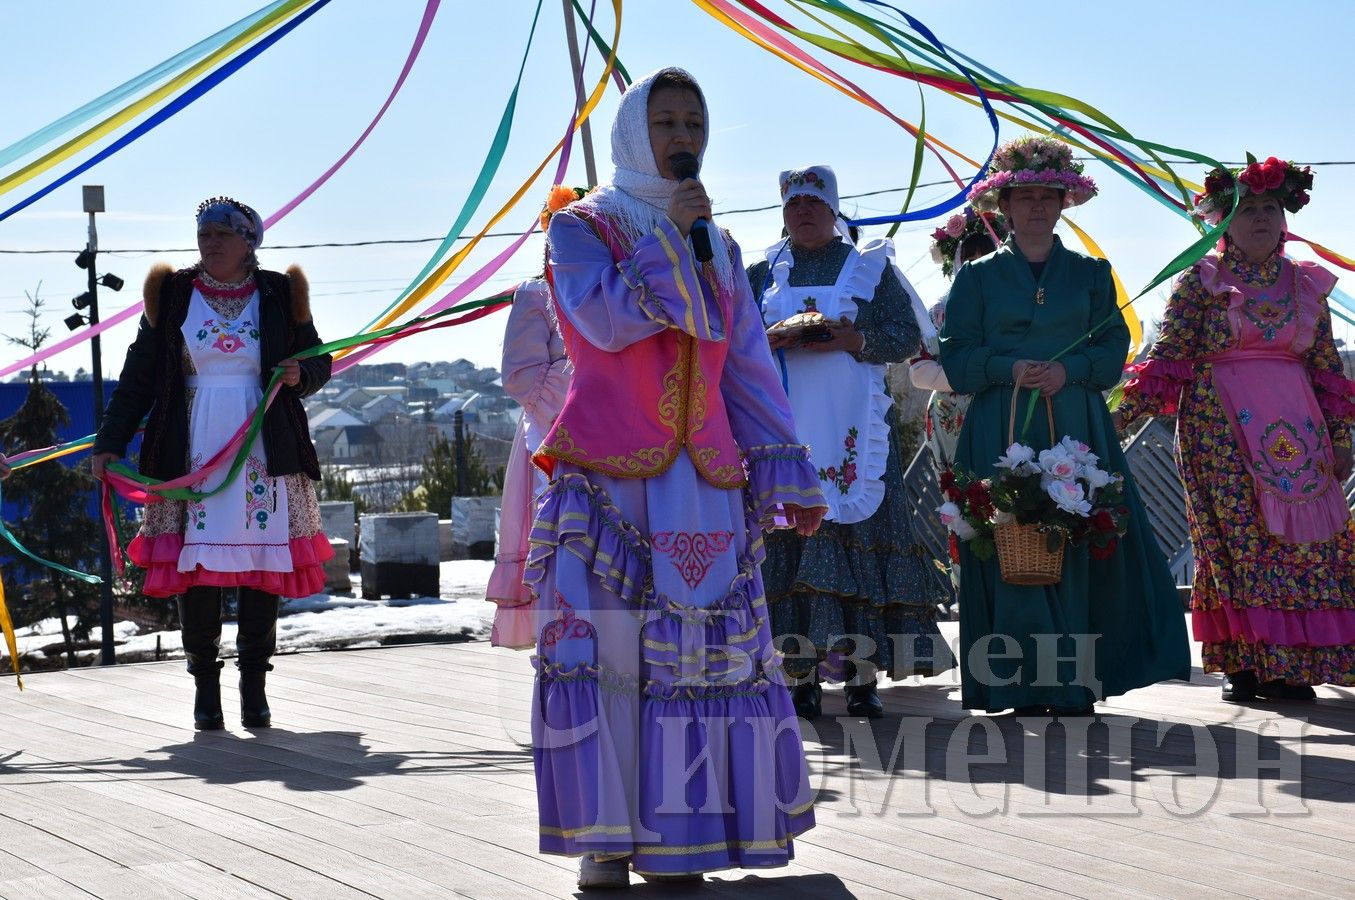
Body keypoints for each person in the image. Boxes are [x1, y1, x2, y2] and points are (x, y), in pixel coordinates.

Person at [533, 67, 827, 888]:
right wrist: (672, 242)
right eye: (664, 121)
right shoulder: (580, 229)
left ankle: (682, 836)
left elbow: (747, 368)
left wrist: (785, 468)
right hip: (608, 481)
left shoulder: (721, 246)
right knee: (608, 659)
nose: (681, 136)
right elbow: (602, 321)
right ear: (634, 132)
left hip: (703, 482)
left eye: (693, 122)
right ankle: (603, 839)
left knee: (698, 662)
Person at [939, 135, 1190, 715]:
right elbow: (955, 356)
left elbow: (1112, 348)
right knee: (1003, 544)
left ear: (1063, 203)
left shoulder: (1092, 273)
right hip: (999, 422)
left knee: (1079, 540)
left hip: (1075, 421)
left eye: (1047, 196)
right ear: (1004, 207)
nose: (1036, 207)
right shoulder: (975, 277)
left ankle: (1072, 681)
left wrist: (1069, 369)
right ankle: (1013, 681)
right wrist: (1007, 367)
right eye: (1024, 196)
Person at [1118, 156, 1354, 700]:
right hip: (1219, 431)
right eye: (1246, 210)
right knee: (1237, 545)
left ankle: (1294, 665)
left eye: (1269, 207)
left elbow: (1328, 372)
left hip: (1302, 435)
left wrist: (1342, 440)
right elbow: (1168, 359)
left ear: (1286, 216)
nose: (1260, 219)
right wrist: (1113, 422)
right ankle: (1246, 663)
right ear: (1222, 222)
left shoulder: (1307, 285)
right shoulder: (1200, 282)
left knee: (1304, 547)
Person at [92, 196, 332, 730]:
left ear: (250, 241)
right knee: (195, 571)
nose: (210, 242)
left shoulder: (278, 291)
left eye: (223, 233)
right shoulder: (174, 293)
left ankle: (254, 688)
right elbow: (139, 377)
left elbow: (319, 357)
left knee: (262, 567)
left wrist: (302, 374)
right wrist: (110, 443)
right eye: (204, 233)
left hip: (264, 445)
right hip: (190, 444)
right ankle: (205, 689)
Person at [747, 165, 950, 722]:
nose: (804, 212)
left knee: (861, 542)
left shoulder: (869, 266)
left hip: (856, 430)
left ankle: (862, 681)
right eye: (794, 204)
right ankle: (800, 678)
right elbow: (736, 340)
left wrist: (852, 338)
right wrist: (774, 338)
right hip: (786, 428)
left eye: (814, 202)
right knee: (791, 549)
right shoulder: (762, 271)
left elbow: (905, 336)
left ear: (834, 210)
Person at [485, 187, 579, 648]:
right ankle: (560, 642)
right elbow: (520, 377)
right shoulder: (537, 294)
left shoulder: (616, 291)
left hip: (616, 432)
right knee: (560, 537)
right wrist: (589, 379)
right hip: (552, 436)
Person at [910, 208, 1007, 478]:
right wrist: (971, 379)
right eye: (969, 259)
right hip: (951, 416)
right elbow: (919, 370)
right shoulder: (940, 311)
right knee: (964, 499)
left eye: (985, 257)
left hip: (1005, 408)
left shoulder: (1017, 307)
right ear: (956, 261)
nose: (976, 266)